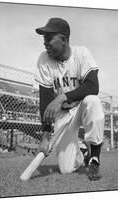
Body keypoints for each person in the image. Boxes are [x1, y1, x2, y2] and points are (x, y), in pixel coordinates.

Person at [34, 18, 105, 181]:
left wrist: (62, 97)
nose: (45, 43)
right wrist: (45, 134)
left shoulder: (81, 53)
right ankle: (83, 153)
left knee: (93, 101)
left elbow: (93, 86)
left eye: (48, 38)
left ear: (64, 40)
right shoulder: (44, 59)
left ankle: (94, 158)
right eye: (44, 38)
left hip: (82, 107)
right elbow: (45, 99)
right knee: (66, 169)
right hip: (64, 115)